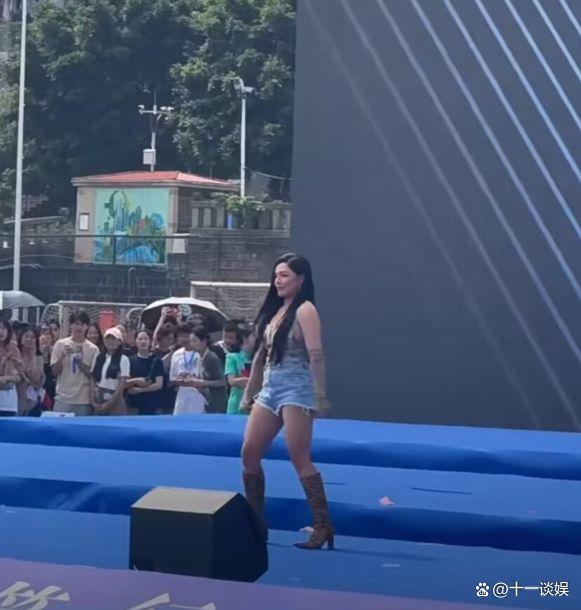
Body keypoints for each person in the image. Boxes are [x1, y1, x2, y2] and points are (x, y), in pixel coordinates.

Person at [240, 253, 333, 550]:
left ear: (301, 279)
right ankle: (256, 521)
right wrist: (249, 391)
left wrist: (319, 396)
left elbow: (316, 355)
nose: (278, 281)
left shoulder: (305, 310)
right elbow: (261, 356)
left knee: (299, 457)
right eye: (276, 275)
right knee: (249, 453)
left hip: (297, 389)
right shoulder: (277, 310)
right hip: (271, 388)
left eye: (285, 275)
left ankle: (322, 525)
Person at [50, 311, 99, 416]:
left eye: (82, 324)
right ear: (71, 325)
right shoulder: (60, 344)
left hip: (84, 400)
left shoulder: (93, 349)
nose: (79, 327)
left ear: (87, 326)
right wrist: (62, 356)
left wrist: (80, 363)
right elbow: (54, 372)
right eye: (76, 324)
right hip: (63, 398)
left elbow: (94, 376)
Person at [90, 327, 129, 415]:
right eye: (108, 338)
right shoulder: (98, 357)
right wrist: (93, 401)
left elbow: (120, 387)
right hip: (99, 397)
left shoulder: (123, 359)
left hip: (115, 399)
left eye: (114, 339)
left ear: (119, 342)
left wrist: (108, 405)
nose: (110, 341)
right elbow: (93, 379)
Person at [125, 330, 165, 415]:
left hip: (153, 404)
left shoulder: (157, 360)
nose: (143, 341)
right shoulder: (130, 360)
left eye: (145, 339)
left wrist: (140, 390)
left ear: (150, 341)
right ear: (135, 342)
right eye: (140, 339)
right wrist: (137, 380)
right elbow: (124, 382)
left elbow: (159, 384)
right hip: (134, 404)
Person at [169, 323, 205, 415]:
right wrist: (180, 379)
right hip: (182, 394)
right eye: (181, 336)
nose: (184, 339)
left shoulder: (200, 353)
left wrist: (194, 378)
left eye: (186, 336)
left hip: (198, 393)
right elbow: (172, 378)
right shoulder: (176, 354)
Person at [189, 327, 227, 414]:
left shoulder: (211, 358)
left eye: (194, 341)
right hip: (207, 400)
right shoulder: (199, 357)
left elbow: (223, 381)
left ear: (204, 341)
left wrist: (203, 383)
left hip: (217, 401)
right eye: (191, 341)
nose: (191, 344)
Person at [225, 327, 255, 415]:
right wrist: (253, 381)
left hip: (254, 403)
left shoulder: (258, 358)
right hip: (237, 402)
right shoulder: (232, 357)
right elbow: (232, 381)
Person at [16, 325, 45, 416]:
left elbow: (37, 380)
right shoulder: (15, 354)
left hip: (33, 401)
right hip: (17, 398)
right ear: (21, 338)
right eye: (26, 336)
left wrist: (33, 355)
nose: (29, 340)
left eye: (32, 337)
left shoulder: (39, 357)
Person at [0, 320, 22, 416]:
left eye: (3, 328)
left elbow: (19, 376)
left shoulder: (14, 350)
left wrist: (7, 378)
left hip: (9, 400)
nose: (0, 331)